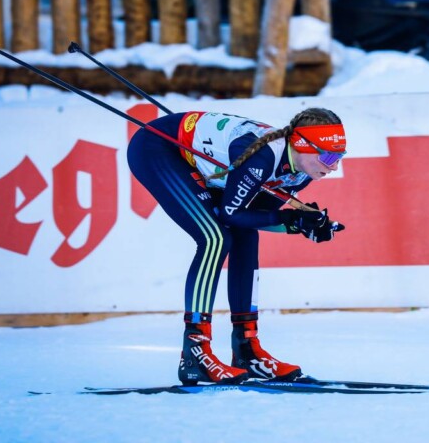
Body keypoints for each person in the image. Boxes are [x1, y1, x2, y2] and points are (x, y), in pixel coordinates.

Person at [127, 107, 346, 385]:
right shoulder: (264, 157)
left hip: (196, 160)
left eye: (339, 157)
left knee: (245, 235)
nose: (334, 165)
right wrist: (291, 220)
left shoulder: (300, 171)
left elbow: (252, 217)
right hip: (158, 148)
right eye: (328, 156)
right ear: (302, 145)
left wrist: (302, 224)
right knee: (215, 238)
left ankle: (246, 349)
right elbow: (230, 213)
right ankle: (195, 351)